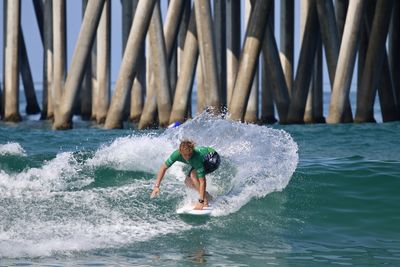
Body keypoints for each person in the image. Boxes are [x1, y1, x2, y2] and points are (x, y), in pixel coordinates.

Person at [150, 139, 220, 210]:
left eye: (189, 154)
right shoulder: (176, 154)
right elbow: (163, 167)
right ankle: (208, 197)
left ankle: (204, 200)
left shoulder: (196, 158)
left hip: (213, 158)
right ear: (180, 152)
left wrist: (201, 201)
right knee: (188, 181)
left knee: (193, 175)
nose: (188, 157)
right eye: (185, 155)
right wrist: (157, 186)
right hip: (204, 158)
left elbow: (202, 181)